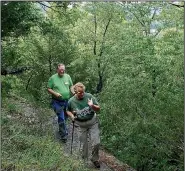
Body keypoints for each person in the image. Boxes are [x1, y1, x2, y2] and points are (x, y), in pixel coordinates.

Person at [66, 82, 101, 168]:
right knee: (83, 144)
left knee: (96, 142)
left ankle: (94, 159)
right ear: (75, 92)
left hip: (92, 122)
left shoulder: (89, 96)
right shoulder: (71, 101)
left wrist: (92, 105)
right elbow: (68, 110)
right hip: (80, 124)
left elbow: (98, 108)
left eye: (83, 92)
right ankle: (84, 162)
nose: (82, 94)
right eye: (79, 92)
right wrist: (71, 116)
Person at [47, 63, 73, 143]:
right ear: (57, 69)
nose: (62, 71)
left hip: (66, 101)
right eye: (61, 70)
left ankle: (62, 129)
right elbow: (48, 88)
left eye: (63, 70)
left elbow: (71, 86)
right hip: (57, 102)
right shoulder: (53, 78)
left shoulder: (67, 76)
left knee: (65, 117)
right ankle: (64, 135)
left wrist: (73, 92)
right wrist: (55, 93)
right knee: (61, 117)